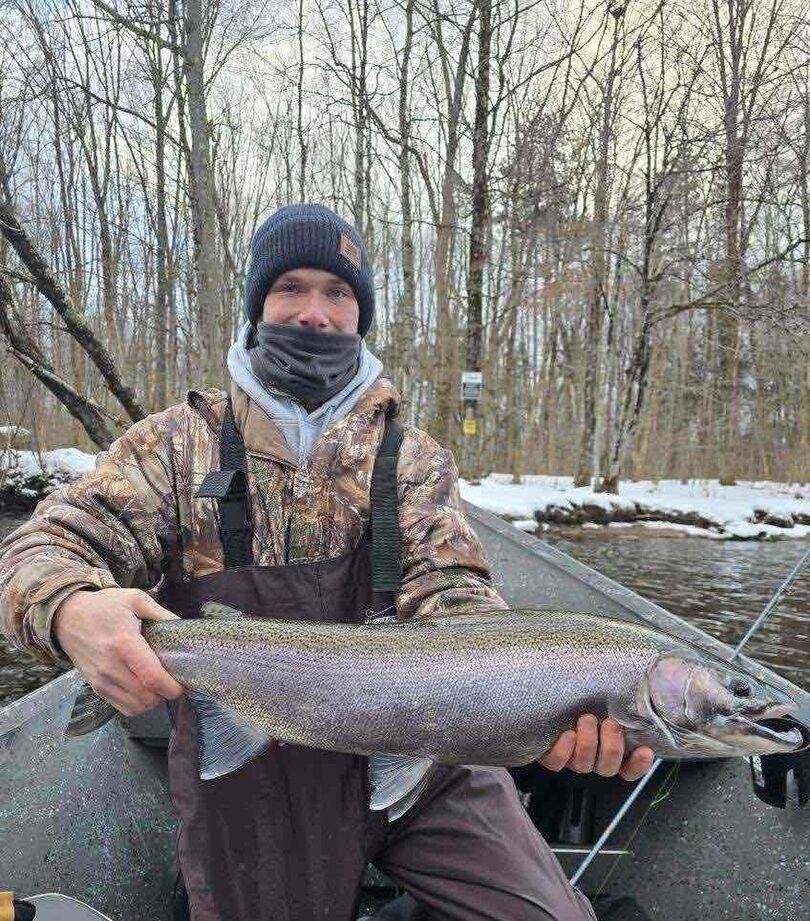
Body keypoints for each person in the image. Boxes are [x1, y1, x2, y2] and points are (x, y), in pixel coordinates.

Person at [0, 204, 654, 921]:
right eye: (291, 287)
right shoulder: (174, 446)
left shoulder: (414, 458)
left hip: (426, 751)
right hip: (255, 766)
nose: (314, 312)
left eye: (337, 292)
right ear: (257, 305)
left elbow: (456, 594)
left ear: (359, 313)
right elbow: (41, 548)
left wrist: (536, 702)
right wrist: (69, 608)